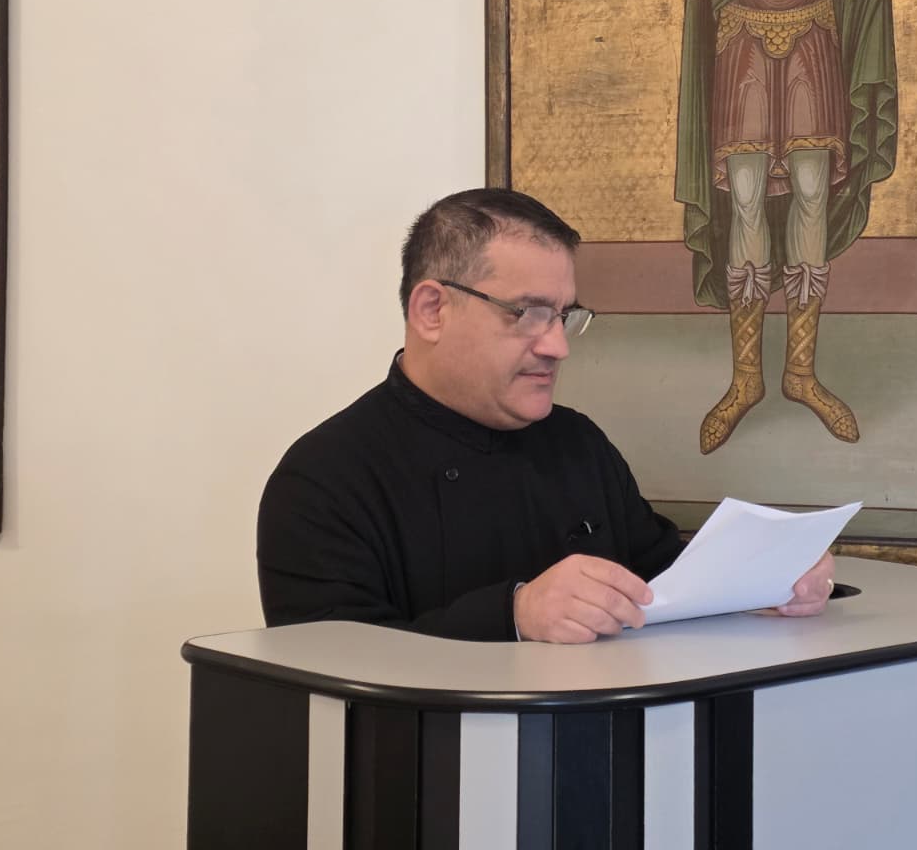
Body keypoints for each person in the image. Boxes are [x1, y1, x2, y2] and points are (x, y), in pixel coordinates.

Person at [257, 188, 838, 643]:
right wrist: (513, 615)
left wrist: (765, 578)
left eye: (564, 316)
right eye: (529, 313)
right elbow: (335, 674)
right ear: (432, 310)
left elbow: (662, 579)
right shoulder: (323, 479)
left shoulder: (577, 442)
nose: (558, 346)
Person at [675, 0, 901, 454]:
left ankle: (800, 372)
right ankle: (746, 379)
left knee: (809, 194)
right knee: (744, 200)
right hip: (741, 43)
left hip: (812, 42)